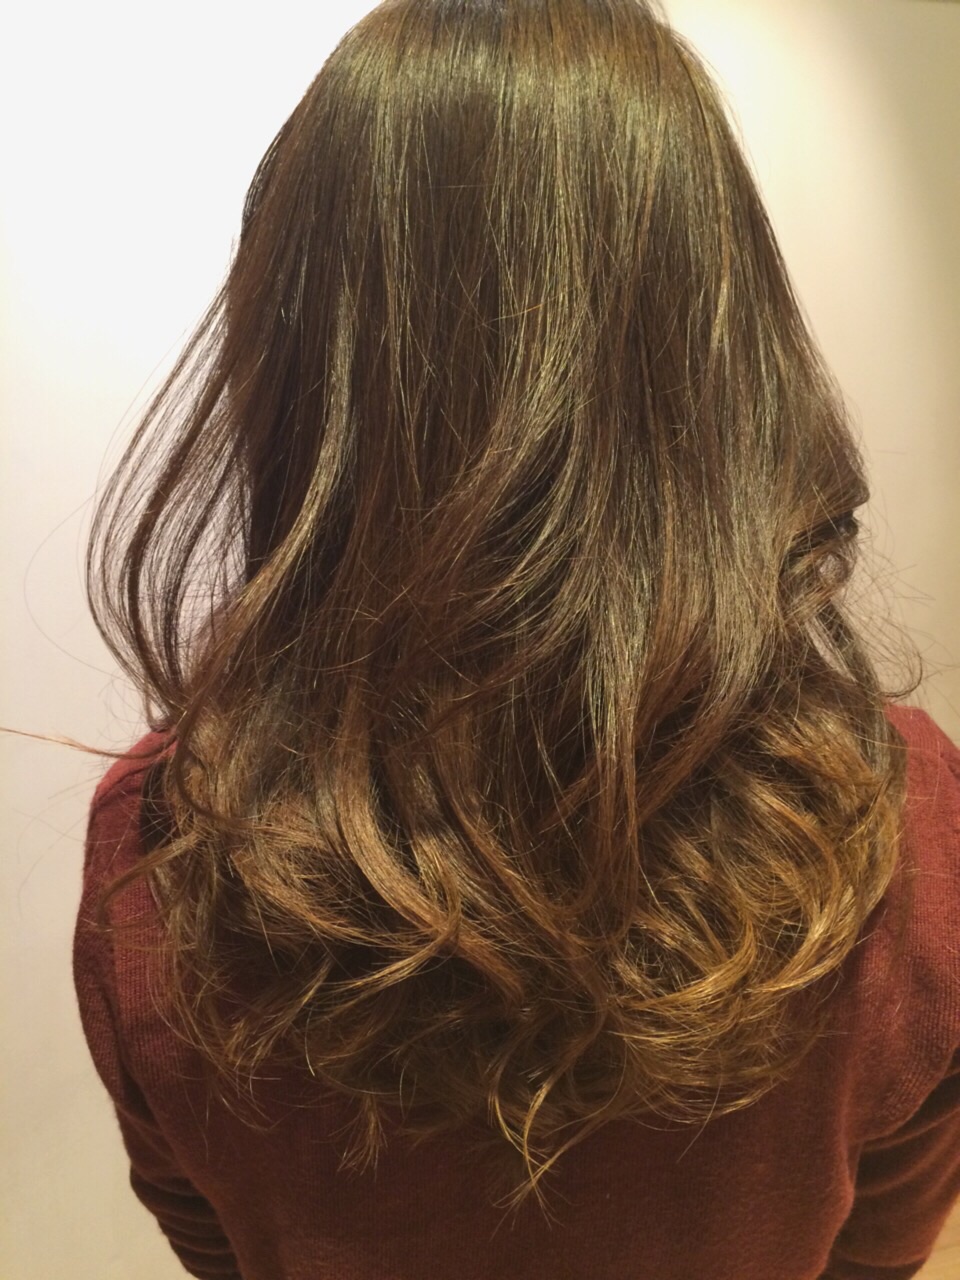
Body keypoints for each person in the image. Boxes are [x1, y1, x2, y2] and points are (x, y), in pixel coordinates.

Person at [67, 1, 960, 1277]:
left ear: (297, 356)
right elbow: (878, 1252)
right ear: (726, 348)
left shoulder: (160, 854)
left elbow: (217, 1242)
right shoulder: (909, 829)